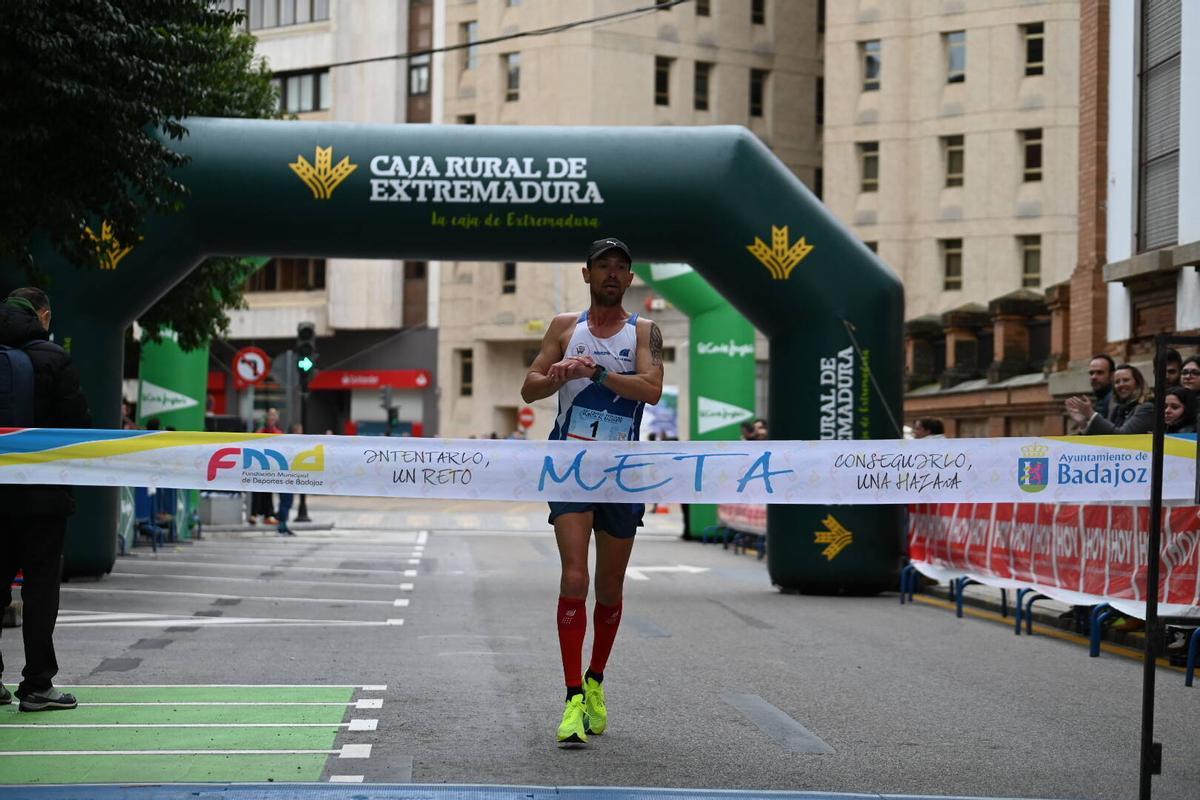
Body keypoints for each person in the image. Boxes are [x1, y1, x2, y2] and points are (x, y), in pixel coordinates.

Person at [520, 237, 663, 746]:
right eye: (602, 266)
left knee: (610, 588)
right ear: (586, 274)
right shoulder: (565, 327)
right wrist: (557, 376)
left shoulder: (644, 330)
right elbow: (529, 388)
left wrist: (599, 372)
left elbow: (651, 390)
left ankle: (597, 678)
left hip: (622, 473)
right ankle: (571, 696)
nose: (611, 274)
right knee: (574, 575)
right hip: (571, 466)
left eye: (620, 268)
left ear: (629, 279)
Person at [0, 288, 90, 712]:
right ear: (44, 316)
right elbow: (77, 425)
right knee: (39, 590)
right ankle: (37, 684)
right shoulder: (55, 360)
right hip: (42, 497)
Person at [1065, 363, 1154, 435]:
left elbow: (1123, 437)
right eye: (1117, 382)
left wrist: (1091, 414)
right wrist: (1083, 423)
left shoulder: (1146, 408)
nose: (1121, 384)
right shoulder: (1116, 410)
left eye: (1126, 380)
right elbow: (1103, 439)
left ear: (1138, 383)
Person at [248, 408, 281, 525]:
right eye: (270, 415)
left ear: (276, 419)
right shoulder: (260, 432)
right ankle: (254, 514)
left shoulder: (279, 434)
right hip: (259, 466)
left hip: (271, 468)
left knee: (268, 491)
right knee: (256, 491)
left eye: (274, 416)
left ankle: (268, 514)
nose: (271, 418)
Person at [274, 421, 303, 536]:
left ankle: (282, 524)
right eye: (300, 431)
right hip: (287, 476)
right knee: (286, 501)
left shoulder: (287, 443)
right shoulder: (292, 445)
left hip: (287, 476)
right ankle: (282, 525)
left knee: (286, 502)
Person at [1087, 354, 1115, 421]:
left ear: (1112, 375)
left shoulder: (1114, 401)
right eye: (1091, 373)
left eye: (1100, 373)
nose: (1093, 377)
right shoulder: (1100, 396)